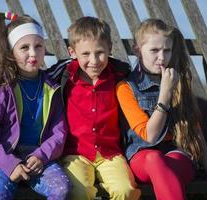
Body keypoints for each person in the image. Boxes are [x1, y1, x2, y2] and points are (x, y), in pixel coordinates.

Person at [116, 18, 207, 200]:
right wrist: (165, 95)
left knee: (165, 168)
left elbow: (194, 129)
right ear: (137, 50)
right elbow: (149, 136)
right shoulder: (126, 88)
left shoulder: (179, 83)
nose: (161, 57)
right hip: (142, 157)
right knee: (154, 159)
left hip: (177, 155)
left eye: (167, 50)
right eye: (154, 50)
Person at [0, 12, 71, 200]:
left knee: (61, 189)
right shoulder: (4, 90)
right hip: (1, 158)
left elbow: (59, 132)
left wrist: (42, 155)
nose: (33, 53)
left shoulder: (52, 88)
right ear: (11, 53)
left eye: (38, 46)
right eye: (24, 47)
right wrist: (10, 164)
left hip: (38, 157)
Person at [48, 16, 141, 200]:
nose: (94, 60)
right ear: (72, 52)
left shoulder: (119, 77)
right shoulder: (64, 77)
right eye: (85, 54)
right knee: (79, 191)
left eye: (100, 52)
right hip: (76, 154)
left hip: (110, 153)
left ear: (109, 49)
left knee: (126, 190)